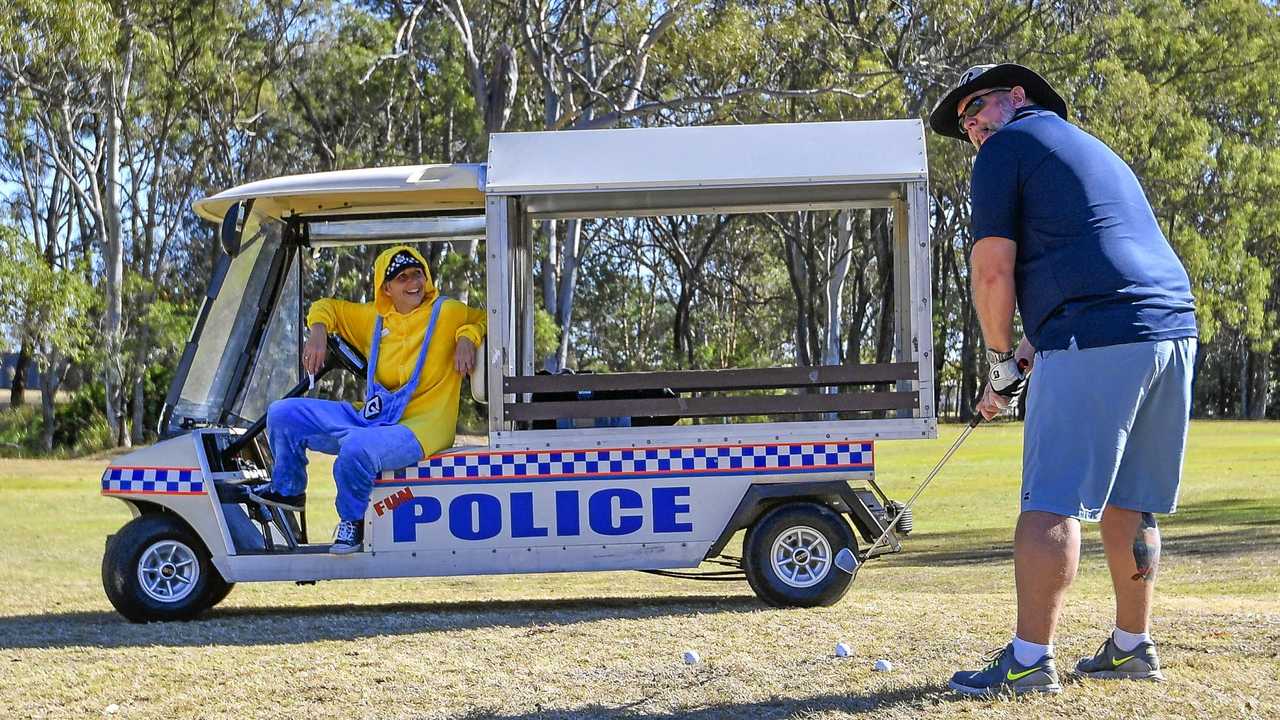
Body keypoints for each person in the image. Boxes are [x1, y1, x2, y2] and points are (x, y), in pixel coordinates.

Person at [927, 64, 1198, 696]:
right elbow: (1091, 264)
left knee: (1050, 499)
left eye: (979, 105)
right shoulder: (1083, 148)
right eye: (964, 120)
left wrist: (996, 364)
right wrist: (1023, 358)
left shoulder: (1007, 148)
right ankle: (1133, 647)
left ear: (1017, 98)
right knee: (1132, 499)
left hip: (1099, 332)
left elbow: (993, 273)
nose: (972, 123)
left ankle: (1028, 659)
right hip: (1169, 327)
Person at [249, 244, 486, 553]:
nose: (414, 283)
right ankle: (288, 489)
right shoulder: (373, 318)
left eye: (417, 274)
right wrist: (318, 332)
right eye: (402, 277)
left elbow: (486, 317)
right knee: (282, 413)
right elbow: (326, 307)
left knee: (356, 448)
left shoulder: (447, 312)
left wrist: (467, 336)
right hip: (375, 418)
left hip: (422, 426)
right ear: (385, 288)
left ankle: (352, 521)